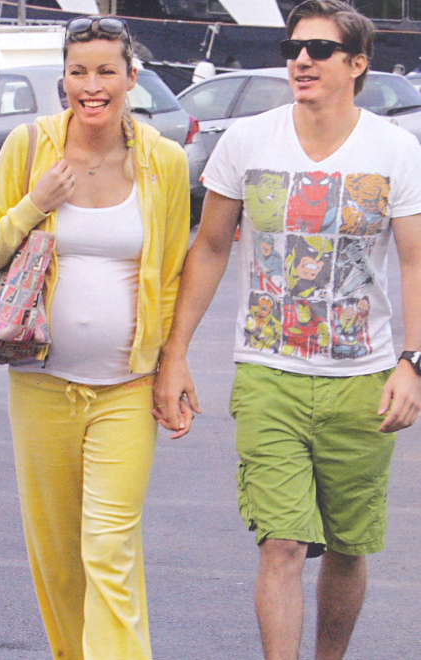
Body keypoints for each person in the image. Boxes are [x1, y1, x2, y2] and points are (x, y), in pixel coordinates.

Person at [153, 1, 421, 658]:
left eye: (319, 49)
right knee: (282, 542)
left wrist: (412, 361)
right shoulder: (248, 141)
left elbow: (415, 260)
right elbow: (210, 247)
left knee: (350, 546)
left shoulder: (394, 149)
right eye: (293, 48)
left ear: (356, 64)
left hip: (361, 379)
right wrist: (175, 354)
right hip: (268, 373)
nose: (301, 60)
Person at [0, 15, 189, 660]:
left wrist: (174, 365)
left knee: (109, 547)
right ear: (64, 79)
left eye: (105, 71)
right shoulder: (29, 148)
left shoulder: (164, 160)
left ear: (131, 78)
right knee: (57, 555)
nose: (91, 86)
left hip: (127, 386)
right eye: (78, 72)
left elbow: (173, 274)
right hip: (41, 386)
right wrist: (34, 204)